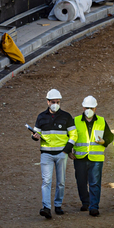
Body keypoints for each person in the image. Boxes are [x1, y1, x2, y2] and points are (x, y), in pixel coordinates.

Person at [32, 89, 76, 220]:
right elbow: (36, 134)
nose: (55, 104)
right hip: (46, 154)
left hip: (61, 154)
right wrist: (34, 136)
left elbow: (74, 134)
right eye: (53, 102)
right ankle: (47, 208)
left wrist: (66, 150)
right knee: (46, 181)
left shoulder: (66, 117)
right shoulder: (41, 117)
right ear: (48, 102)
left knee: (61, 181)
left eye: (58, 102)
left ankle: (58, 205)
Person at [73, 96, 114, 217]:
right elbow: (69, 137)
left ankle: (94, 206)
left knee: (95, 183)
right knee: (81, 182)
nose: (89, 110)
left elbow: (110, 136)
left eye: (91, 107)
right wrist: (70, 152)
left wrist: (104, 141)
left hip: (96, 159)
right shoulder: (75, 121)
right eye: (87, 107)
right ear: (83, 107)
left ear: (95, 108)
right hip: (80, 158)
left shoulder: (101, 121)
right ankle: (85, 202)